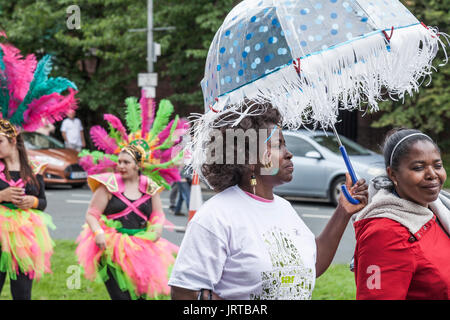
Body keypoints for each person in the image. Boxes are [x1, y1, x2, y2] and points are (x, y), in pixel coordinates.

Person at [168, 101, 368, 300]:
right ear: (249, 159)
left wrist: (343, 211)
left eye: (285, 144)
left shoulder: (284, 208)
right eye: (277, 145)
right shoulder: (215, 216)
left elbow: (310, 267)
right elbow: (183, 292)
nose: (289, 153)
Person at [353, 128, 450, 300]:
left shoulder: (436, 212)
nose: (432, 174)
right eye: (418, 167)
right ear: (393, 174)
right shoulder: (384, 233)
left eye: (437, 165)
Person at [75, 145, 179, 300]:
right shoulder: (108, 185)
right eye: (120, 162)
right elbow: (91, 214)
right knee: (121, 296)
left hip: (142, 248)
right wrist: (98, 232)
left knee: (141, 296)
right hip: (112, 248)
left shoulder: (149, 186)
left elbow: (158, 213)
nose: (121, 166)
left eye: (126, 162)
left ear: (138, 165)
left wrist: (157, 229)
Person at [0, 119, 55, 300]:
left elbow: (43, 202)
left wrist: (32, 201)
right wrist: (2, 196)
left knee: (23, 292)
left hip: (25, 234)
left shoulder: (34, 168)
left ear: (13, 140)